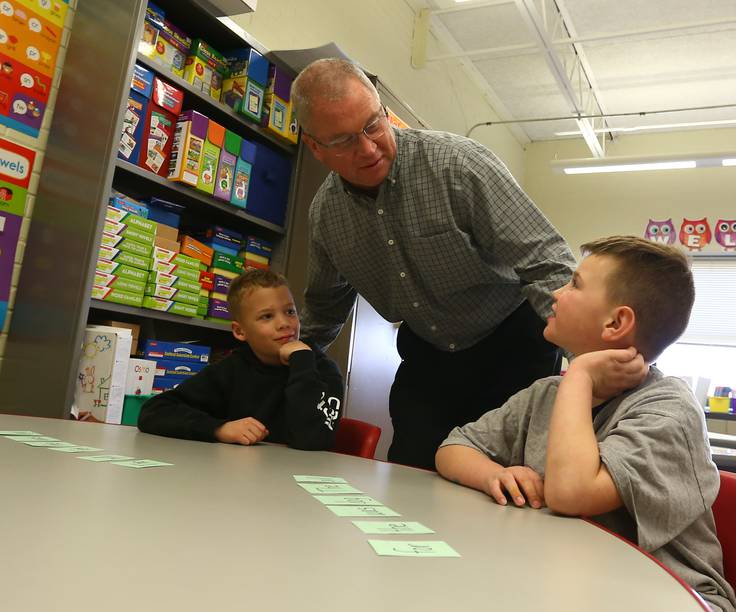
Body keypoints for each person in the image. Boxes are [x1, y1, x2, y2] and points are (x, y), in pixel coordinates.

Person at [290, 58, 575, 470]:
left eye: (373, 125)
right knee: (411, 470)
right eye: (345, 141)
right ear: (316, 147)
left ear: (383, 112)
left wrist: (588, 357)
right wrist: (286, 355)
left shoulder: (458, 165)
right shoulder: (325, 216)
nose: (368, 148)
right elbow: (324, 306)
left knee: (511, 481)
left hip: (513, 345)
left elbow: (546, 263)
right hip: (429, 355)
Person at [436, 236, 735, 612]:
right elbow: (452, 448)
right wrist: (493, 473)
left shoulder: (668, 409)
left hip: (674, 595)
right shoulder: (547, 393)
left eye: (575, 284)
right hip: (573, 579)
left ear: (616, 322)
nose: (557, 293)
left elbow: (571, 494)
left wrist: (578, 374)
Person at [138, 269, 343, 450]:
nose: (284, 323)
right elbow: (153, 412)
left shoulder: (323, 370)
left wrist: (302, 363)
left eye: (290, 312)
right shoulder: (231, 369)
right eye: (267, 316)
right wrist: (219, 429)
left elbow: (312, 440)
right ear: (240, 331)